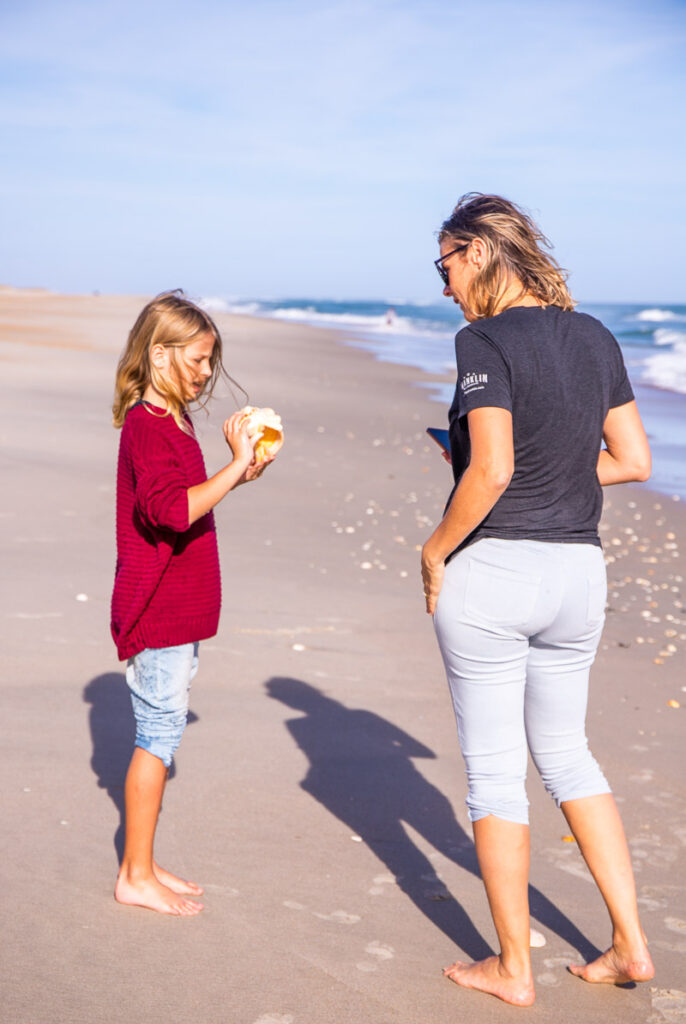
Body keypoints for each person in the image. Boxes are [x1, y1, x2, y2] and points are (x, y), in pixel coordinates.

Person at [421, 194, 654, 1006]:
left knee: (494, 777)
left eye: (445, 263)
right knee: (568, 756)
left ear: (481, 253)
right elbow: (632, 459)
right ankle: (629, 943)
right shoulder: (594, 335)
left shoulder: (482, 339)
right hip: (577, 577)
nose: (443, 284)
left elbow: (488, 471)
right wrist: (554, 472)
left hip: (498, 576)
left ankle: (513, 967)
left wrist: (434, 547)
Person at [110, 291, 273, 915]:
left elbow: (186, 497)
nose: (207, 373)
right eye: (199, 359)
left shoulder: (174, 420)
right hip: (157, 612)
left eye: (212, 360)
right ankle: (134, 876)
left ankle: (143, 863)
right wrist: (233, 468)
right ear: (159, 353)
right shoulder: (149, 428)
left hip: (180, 612)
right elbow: (171, 511)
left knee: (165, 736)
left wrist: (237, 472)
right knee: (156, 739)